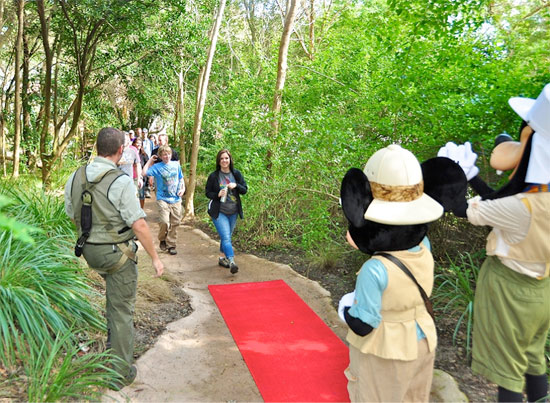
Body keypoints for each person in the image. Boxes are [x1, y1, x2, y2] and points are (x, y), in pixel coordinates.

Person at [439, 83, 550, 402]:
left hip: (511, 292)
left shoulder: (522, 208)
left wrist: (453, 175)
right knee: (533, 358)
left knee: (508, 373)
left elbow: (468, 210)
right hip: (541, 292)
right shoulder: (536, 200)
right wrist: (472, 176)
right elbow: (498, 200)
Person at [338, 144, 467, 402]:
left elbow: (365, 323)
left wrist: (345, 310)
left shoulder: (374, 270)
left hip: (386, 348)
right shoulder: (423, 246)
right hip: (423, 338)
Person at [64, 127, 164, 390]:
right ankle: (120, 373)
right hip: (116, 255)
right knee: (122, 310)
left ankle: (112, 345)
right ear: (121, 151)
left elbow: (72, 214)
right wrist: (155, 257)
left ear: (98, 148)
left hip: (88, 250)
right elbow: (139, 225)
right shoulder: (121, 182)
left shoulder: (75, 176)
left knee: (113, 300)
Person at [205, 149, 248, 274]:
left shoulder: (236, 174)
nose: (224, 161)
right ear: (218, 161)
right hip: (219, 212)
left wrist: (236, 186)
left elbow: (245, 189)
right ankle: (232, 261)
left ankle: (222, 258)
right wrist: (217, 194)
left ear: (230, 160)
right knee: (226, 237)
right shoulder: (214, 176)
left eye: (226, 158)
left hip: (233, 211)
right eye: (222, 158)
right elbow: (208, 193)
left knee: (226, 237)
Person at [142, 145, 185, 256]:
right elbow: (144, 173)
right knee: (165, 221)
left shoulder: (176, 165)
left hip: (176, 198)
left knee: (175, 222)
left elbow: (181, 178)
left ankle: (171, 245)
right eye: (164, 154)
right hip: (162, 199)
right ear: (160, 156)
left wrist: (182, 188)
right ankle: (162, 239)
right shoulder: (157, 167)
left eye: (169, 154)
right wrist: (150, 161)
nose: (167, 156)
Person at [132, 137, 149, 208]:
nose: (138, 145)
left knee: (141, 195)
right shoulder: (130, 153)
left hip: (141, 177)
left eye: (140, 143)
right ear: (134, 144)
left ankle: (141, 210)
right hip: (132, 176)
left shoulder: (144, 155)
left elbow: (147, 165)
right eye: (137, 143)